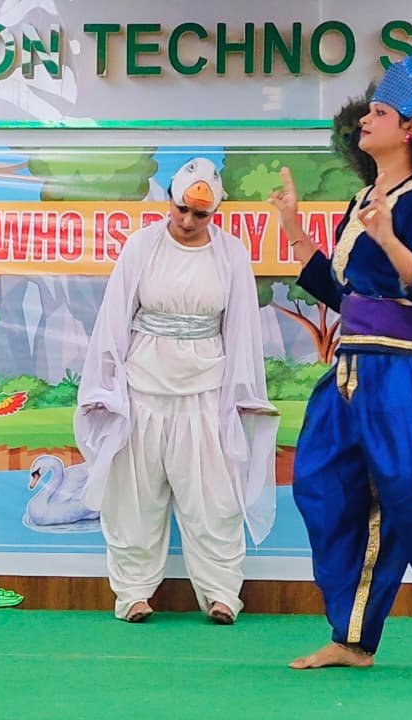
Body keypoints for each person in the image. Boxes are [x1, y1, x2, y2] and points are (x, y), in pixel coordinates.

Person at [268, 43, 412, 679]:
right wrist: (294, 230)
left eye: (378, 113)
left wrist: (390, 239)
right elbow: (348, 296)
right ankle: (352, 637)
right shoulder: (362, 201)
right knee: (330, 493)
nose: (364, 121)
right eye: (366, 111)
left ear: (409, 129)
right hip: (355, 373)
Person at [75, 158, 278, 625]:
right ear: (169, 201)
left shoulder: (231, 254)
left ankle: (222, 593)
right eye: (181, 209)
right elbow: (114, 317)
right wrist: (104, 385)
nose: (187, 221)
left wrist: (243, 393)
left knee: (214, 502)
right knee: (133, 500)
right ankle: (132, 594)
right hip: (141, 390)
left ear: (216, 212)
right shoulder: (141, 246)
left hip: (206, 393)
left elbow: (241, 329)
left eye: (200, 214)